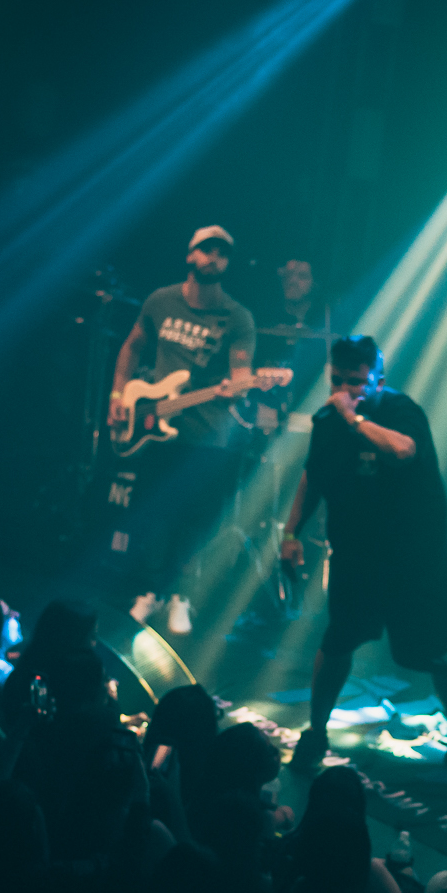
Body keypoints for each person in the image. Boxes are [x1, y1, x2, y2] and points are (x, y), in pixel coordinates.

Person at [279, 334, 447, 780]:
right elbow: (312, 477)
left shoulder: (400, 411)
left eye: (355, 381)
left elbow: (401, 451)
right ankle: (316, 733)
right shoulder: (327, 421)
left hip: (413, 557)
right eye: (337, 380)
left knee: (441, 650)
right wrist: (291, 532)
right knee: (338, 642)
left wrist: (352, 417)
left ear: (378, 380)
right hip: (357, 555)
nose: (344, 390)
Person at [106, 225, 257, 636]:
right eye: (207, 250)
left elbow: (241, 374)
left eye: (222, 252)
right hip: (155, 425)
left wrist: (237, 389)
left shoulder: (237, 317)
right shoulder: (161, 300)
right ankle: (149, 592)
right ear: (190, 255)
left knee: (194, 521)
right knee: (155, 512)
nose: (215, 257)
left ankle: (180, 596)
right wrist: (118, 394)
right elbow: (132, 346)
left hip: (208, 436)